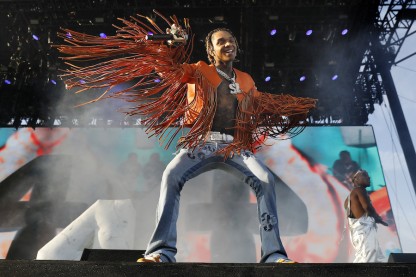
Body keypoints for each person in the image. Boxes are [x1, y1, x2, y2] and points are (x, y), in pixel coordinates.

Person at [56, 12, 317, 263]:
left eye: (231, 41)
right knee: (171, 175)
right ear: (211, 51)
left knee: (265, 180)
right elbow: (169, 70)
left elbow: (259, 104)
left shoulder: (247, 80)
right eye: (221, 41)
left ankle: (274, 254)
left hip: (235, 147)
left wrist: (293, 106)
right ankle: (161, 252)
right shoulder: (200, 70)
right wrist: (169, 47)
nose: (229, 44)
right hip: (203, 142)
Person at [344, 169, 388, 263]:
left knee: (364, 256)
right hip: (364, 229)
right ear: (356, 179)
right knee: (370, 256)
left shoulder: (348, 199)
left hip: (356, 232)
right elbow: (367, 206)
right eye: (364, 175)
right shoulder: (360, 190)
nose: (369, 177)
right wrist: (377, 217)